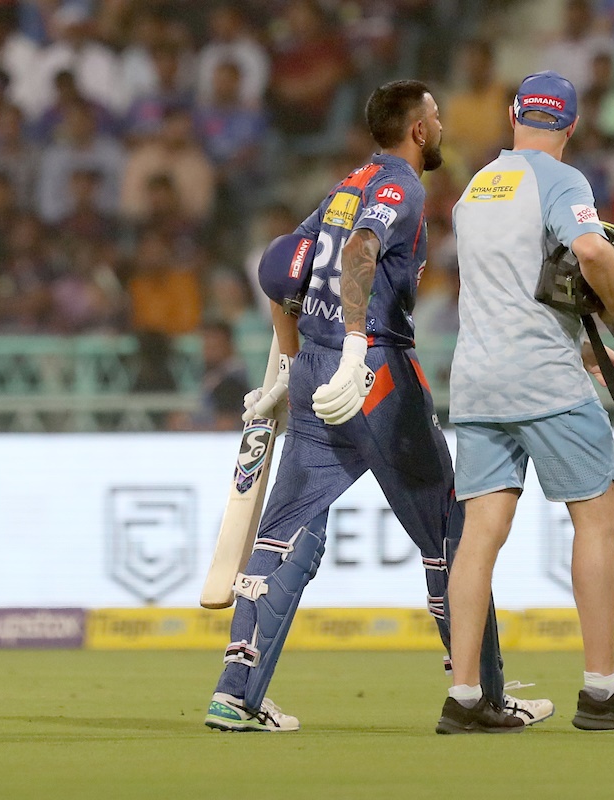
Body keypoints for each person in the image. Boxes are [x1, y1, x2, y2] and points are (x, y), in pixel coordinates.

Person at [204, 80, 550, 733]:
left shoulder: (345, 185)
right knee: (450, 535)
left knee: (286, 532)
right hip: (376, 373)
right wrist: (360, 346)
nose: (442, 126)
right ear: (417, 130)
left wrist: (284, 365)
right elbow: (362, 251)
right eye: (437, 118)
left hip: (314, 371)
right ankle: (482, 698)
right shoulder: (404, 188)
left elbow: (284, 269)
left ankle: (234, 693)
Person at [439, 71, 614, 734]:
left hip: (477, 378)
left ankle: (464, 696)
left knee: (481, 533)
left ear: (514, 112)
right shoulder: (559, 178)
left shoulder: (475, 186)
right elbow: (593, 248)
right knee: (598, 516)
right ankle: (600, 689)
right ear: (570, 126)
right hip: (541, 376)